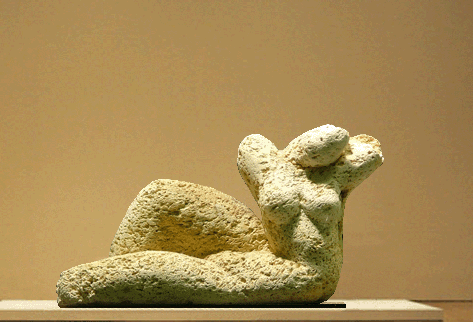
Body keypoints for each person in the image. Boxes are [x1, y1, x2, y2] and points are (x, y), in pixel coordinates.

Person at [56, 125, 383, 307]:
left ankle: (95, 282)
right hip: (269, 249)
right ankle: (113, 280)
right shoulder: (270, 159)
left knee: (210, 277)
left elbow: (370, 150)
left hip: (304, 274)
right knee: (162, 195)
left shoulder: (340, 170)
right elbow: (250, 146)